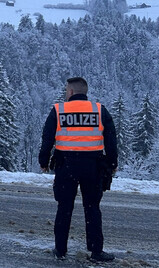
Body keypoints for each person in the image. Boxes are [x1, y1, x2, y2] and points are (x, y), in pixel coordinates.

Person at [38, 77, 118, 262]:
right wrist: (112, 163)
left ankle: (60, 249)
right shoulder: (99, 110)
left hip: (66, 166)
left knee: (64, 207)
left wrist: (44, 161)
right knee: (92, 208)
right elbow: (111, 140)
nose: (66, 93)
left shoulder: (58, 110)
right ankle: (96, 251)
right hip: (93, 166)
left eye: (67, 90)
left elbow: (47, 138)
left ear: (71, 92)